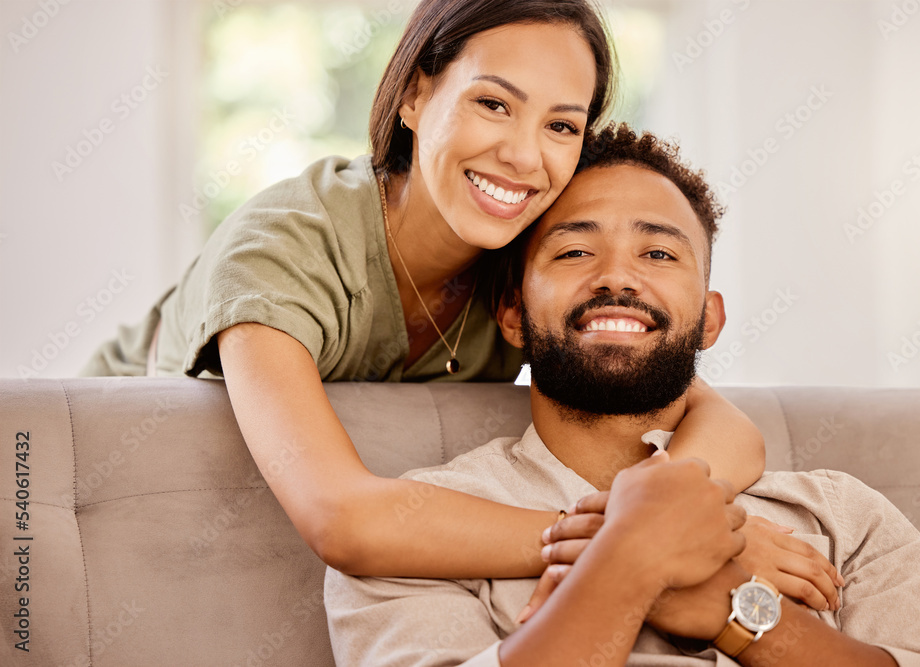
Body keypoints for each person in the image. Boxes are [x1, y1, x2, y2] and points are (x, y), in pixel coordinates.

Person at [78, 0, 769, 581]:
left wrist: (660, 516)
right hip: (108, 481)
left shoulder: (524, 260)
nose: (525, 156)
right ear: (414, 94)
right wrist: (636, 549)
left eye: (561, 125)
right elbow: (342, 518)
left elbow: (724, 426)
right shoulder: (286, 245)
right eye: (494, 103)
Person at [324, 124, 920, 667]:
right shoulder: (413, 536)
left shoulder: (844, 518)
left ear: (710, 317)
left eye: (660, 255)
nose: (617, 277)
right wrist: (631, 559)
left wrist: (736, 613)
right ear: (513, 312)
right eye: (575, 251)